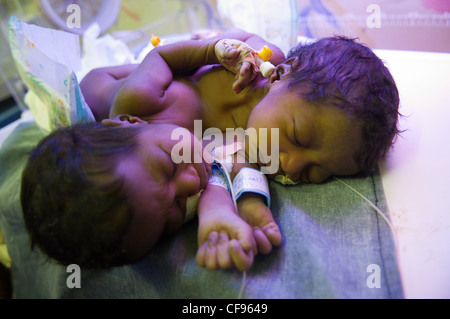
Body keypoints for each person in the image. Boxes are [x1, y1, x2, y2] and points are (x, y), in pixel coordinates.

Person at [21, 30, 400, 271]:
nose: (292, 164)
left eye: (318, 172)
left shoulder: (140, 101)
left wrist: (219, 49)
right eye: (174, 215)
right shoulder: (171, 168)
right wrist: (248, 210)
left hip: (106, 84)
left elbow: (163, 58)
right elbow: (224, 177)